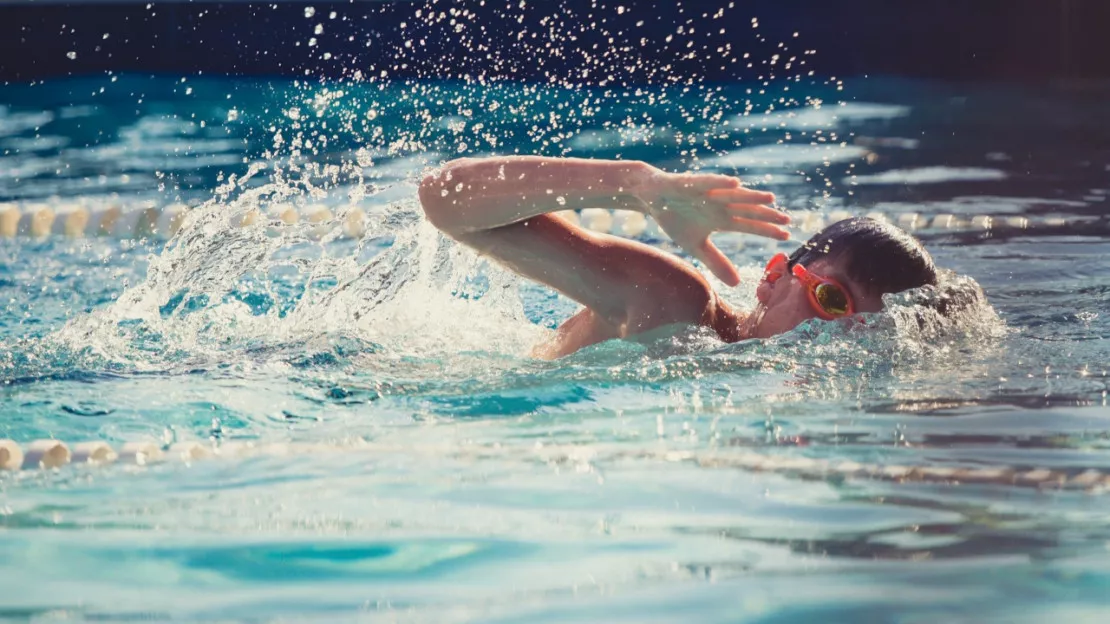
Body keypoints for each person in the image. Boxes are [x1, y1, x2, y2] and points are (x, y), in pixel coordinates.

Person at [419, 156, 939, 358]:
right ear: (773, 277)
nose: (832, 340)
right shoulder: (675, 303)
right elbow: (443, 199)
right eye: (831, 299)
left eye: (863, 332)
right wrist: (633, 186)